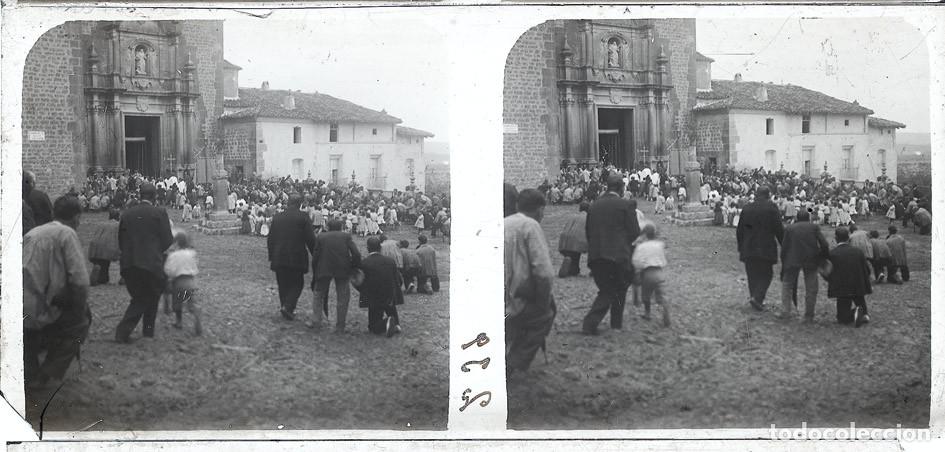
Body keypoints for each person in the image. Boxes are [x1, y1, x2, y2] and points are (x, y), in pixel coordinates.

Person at [23, 195, 92, 389]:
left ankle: (29, 370)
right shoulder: (67, 234)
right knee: (80, 324)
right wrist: (79, 307)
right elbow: (80, 280)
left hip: (19, 306)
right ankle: (45, 374)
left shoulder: (33, 233)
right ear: (77, 217)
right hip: (43, 305)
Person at [505, 189, 556, 373]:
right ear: (541, 209)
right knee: (545, 316)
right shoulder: (530, 226)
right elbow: (544, 272)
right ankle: (513, 363)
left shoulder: (502, 224)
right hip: (517, 298)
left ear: (518, 206)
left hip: (497, 297)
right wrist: (543, 302)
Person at [115, 183, 174, 343]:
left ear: (139, 195)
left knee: (145, 295)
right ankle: (123, 331)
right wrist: (155, 251)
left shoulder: (127, 214)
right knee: (147, 296)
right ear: (155, 196)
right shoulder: (159, 212)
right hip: (151, 263)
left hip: (129, 263)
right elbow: (168, 239)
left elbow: (121, 239)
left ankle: (148, 331)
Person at [582, 174, 640, 334]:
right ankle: (598, 323)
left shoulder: (594, 206)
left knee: (607, 288)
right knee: (617, 289)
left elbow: (588, 231)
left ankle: (613, 324)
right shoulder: (626, 205)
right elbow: (635, 232)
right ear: (621, 188)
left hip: (596, 255)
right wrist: (621, 243)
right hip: (618, 256)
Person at [267, 194, 316, 320]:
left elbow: (270, 238)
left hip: (279, 255)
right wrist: (316, 254)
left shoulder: (277, 217)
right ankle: (288, 307)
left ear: (288, 203)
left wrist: (272, 255)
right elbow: (310, 239)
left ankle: (285, 306)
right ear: (300, 204)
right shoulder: (303, 217)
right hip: (296, 256)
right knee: (297, 283)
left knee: (282, 283)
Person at [736, 186, 784, 311]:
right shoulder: (772, 208)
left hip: (748, 247)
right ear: (768, 195)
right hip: (765, 247)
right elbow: (779, 228)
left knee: (752, 275)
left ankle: (755, 298)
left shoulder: (747, 208)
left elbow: (740, 229)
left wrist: (741, 246)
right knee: (767, 274)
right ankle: (757, 298)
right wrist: (784, 243)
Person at [309, 218, 361, 332]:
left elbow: (315, 256)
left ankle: (316, 321)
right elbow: (356, 254)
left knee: (318, 295)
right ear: (341, 227)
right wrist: (353, 266)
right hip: (342, 269)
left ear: (328, 227)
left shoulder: (321, 237)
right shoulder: (346, 237)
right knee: (343, 297)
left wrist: (315, 271)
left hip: (324, 268)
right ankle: (340, 325)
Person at [779, 210, 829, 321]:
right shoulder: (814, 227)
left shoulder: (790, 228)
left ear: (797, 218)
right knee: (811, 287)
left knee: (787, 285)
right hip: (810, 259)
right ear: (808, 218)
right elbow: (824, 244)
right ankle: (809, 315)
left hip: (793, 259)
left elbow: (784, 247)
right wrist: (822, 256)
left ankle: (785, 312)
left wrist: (784, 261)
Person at [358, 236, 404, 337]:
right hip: (390, 295)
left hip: (373, 297)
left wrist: (363, 292)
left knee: (373, 328)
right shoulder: (390, 261)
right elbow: (398, 279)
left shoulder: (364, 263)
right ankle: (396, 323)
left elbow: (359, 282)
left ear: (368, 248)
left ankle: (387, 322)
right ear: (380, 248)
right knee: (390, 306)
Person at [826, 227, 872, 327]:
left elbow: (827, 272)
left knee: (842, 318)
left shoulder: (832, 254)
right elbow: (867, 269)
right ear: (848, 238)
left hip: (842, 288)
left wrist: (832, 281)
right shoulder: (858, 252)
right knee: (860, 298)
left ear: (836, 238)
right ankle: (863, 312)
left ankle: (856, 312)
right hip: (858, 285)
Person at [163, 231, 202, 335]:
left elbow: (168, 269)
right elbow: (195, 266)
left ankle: (179, 322)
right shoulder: (192, 254)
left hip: (179, 282)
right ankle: (196, 314)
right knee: (191, 300)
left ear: (176, 243)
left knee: (178, 302)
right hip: (191, 281)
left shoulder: (173, 255)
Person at [631, 223, 670, 327]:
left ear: (644, 235)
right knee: (661, 293)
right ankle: (665, 308)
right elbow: (664, 257)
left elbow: (636, 261)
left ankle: (647, 313)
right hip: (660, 272)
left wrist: (638, 269)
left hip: (647, 273)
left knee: (646, 295)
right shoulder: (660, 245)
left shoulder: (641, 246)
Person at [88, 208, 121, 286]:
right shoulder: (118, 224)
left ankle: (100, 275)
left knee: (102, 264)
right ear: (118, 216)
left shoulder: (102, 224)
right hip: (109, 247)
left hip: (96, 245)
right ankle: (124, 277)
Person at [557, 201, 589, 277]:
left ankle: (570, 266)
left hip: (565, 239)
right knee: (576, 253)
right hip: (578, 240)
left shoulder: (573, 216)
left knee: (571, 255)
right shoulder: (588, 217)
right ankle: (574, 269)